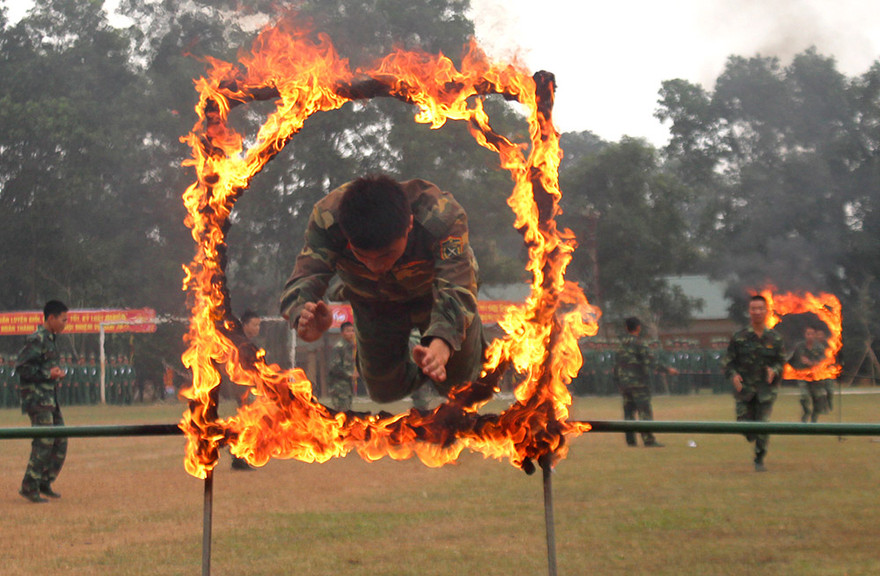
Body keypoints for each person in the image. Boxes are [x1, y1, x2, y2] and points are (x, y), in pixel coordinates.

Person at [280, 174, 485, 404]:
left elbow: (457, 284)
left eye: (386, 255)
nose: (375, 266)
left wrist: (443, 341)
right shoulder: (328, 219)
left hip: (435, 297)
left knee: (459, 383)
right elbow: (306, 274)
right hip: (372, 299)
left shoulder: (441, 214)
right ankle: (416, 352)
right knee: (384, 392)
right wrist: (302, 315)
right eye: (362, 256)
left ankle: (464, 351)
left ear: (409, 224)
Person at [722, 295, 786, 472]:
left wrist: (774, 370)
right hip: (744, 390)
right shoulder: (739, 337)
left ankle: (759, 458)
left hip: (766, 390)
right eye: (753, 309)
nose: (757, 312)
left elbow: (781, 362)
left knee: (763, 423)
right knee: (745, 425)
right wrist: (733, 375)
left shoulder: (775, 338)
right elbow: (728, 362)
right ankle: (751, 434)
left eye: (760, 308)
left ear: (766, 311)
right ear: (749, 312)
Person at [16, 300, 69, 502]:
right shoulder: (37, 339)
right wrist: (48, 374)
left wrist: (55, 374)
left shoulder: (51, 339)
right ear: (51, 318)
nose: (65, 324)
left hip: (50, 399)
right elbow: (22, 368)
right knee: (44, 441)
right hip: (37, 399)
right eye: (63, 320)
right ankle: (29, 486)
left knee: (60, 440)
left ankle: (44, 481)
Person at [613, 317, 678, 447]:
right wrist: (668, 370)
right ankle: (648, 439)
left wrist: (618, 382)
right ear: (638, 327)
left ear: (626, 328)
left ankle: (630, 440)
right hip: (639, 384)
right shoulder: (639, 344)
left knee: (628, 412)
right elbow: (651, 362)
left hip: (625, 384)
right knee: (644, 411)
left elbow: (616, 366)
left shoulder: (620, 345)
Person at [231, 309, 262, 470]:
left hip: (248, 387)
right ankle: (238, 453)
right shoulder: (241, 344)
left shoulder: (247, 344)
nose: (257, 328)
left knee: (249, 420)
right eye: (254, 325)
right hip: (243, 388)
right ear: (245, 325)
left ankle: (239, 453)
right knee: (248, 420)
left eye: (259, 325)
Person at [789, 326, 829, 423]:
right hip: (803, 376)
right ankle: (806, 413)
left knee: (818, 398)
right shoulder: (799, 347)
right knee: (804, 396)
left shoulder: (819, 348)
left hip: (816, 378)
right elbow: (791, 358)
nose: (810, 336)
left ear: (815, 335)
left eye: (812, 334)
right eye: (808, 334)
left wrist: (810, 363)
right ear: (805, 335)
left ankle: (814, 419)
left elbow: (823, 362)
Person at [327, 321, 357, 411]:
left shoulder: (350, 347)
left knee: (347, 412)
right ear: (342, 333)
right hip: (339, 387)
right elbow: (334, 367)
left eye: (352, 331)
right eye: (348, 331)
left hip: (347, 387)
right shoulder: (339, 347)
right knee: (342, 413)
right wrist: (350, 374)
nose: (351, 334)